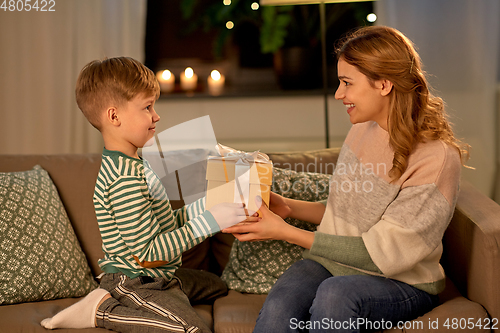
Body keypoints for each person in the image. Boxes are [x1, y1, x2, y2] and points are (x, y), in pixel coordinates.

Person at [223, 26, 470, 332]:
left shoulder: (436, 158)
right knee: (281, 304)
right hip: (334, 264)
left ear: (383, 83)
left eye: (347, 83)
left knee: (336, 295)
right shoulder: (363, 129)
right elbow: (348, 209)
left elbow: (385, 256)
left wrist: (284, 231)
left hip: (402, 282)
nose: (340, 94)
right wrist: (288, 206)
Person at [40, 57, 257, 333]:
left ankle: (169, 294)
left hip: (159, 274)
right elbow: (149, 252)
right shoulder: (124, 180)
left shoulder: (137, 165)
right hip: (133, 279)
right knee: (193, 330)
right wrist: (210, 221)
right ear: (114, 116)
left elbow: (167, 221)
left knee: (218, 286)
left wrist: (213, 202)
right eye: (147, 107)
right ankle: (103, 310)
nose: (156, 116)